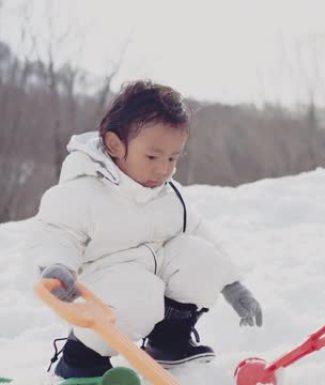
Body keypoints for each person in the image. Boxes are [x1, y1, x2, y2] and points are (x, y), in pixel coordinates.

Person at [28, 80, 263, 380]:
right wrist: (57, 266)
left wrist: (233, 284)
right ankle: (79, 358)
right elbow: (57, 233)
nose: (163, 169)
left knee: (201, 257)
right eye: (153, 157)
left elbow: (203, 234)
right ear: (115, 145)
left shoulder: (169, 194)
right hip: (107, 285)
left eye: (173, 158)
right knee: (141, 294)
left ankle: (170, 340)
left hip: (151, 274)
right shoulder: (83, 192)